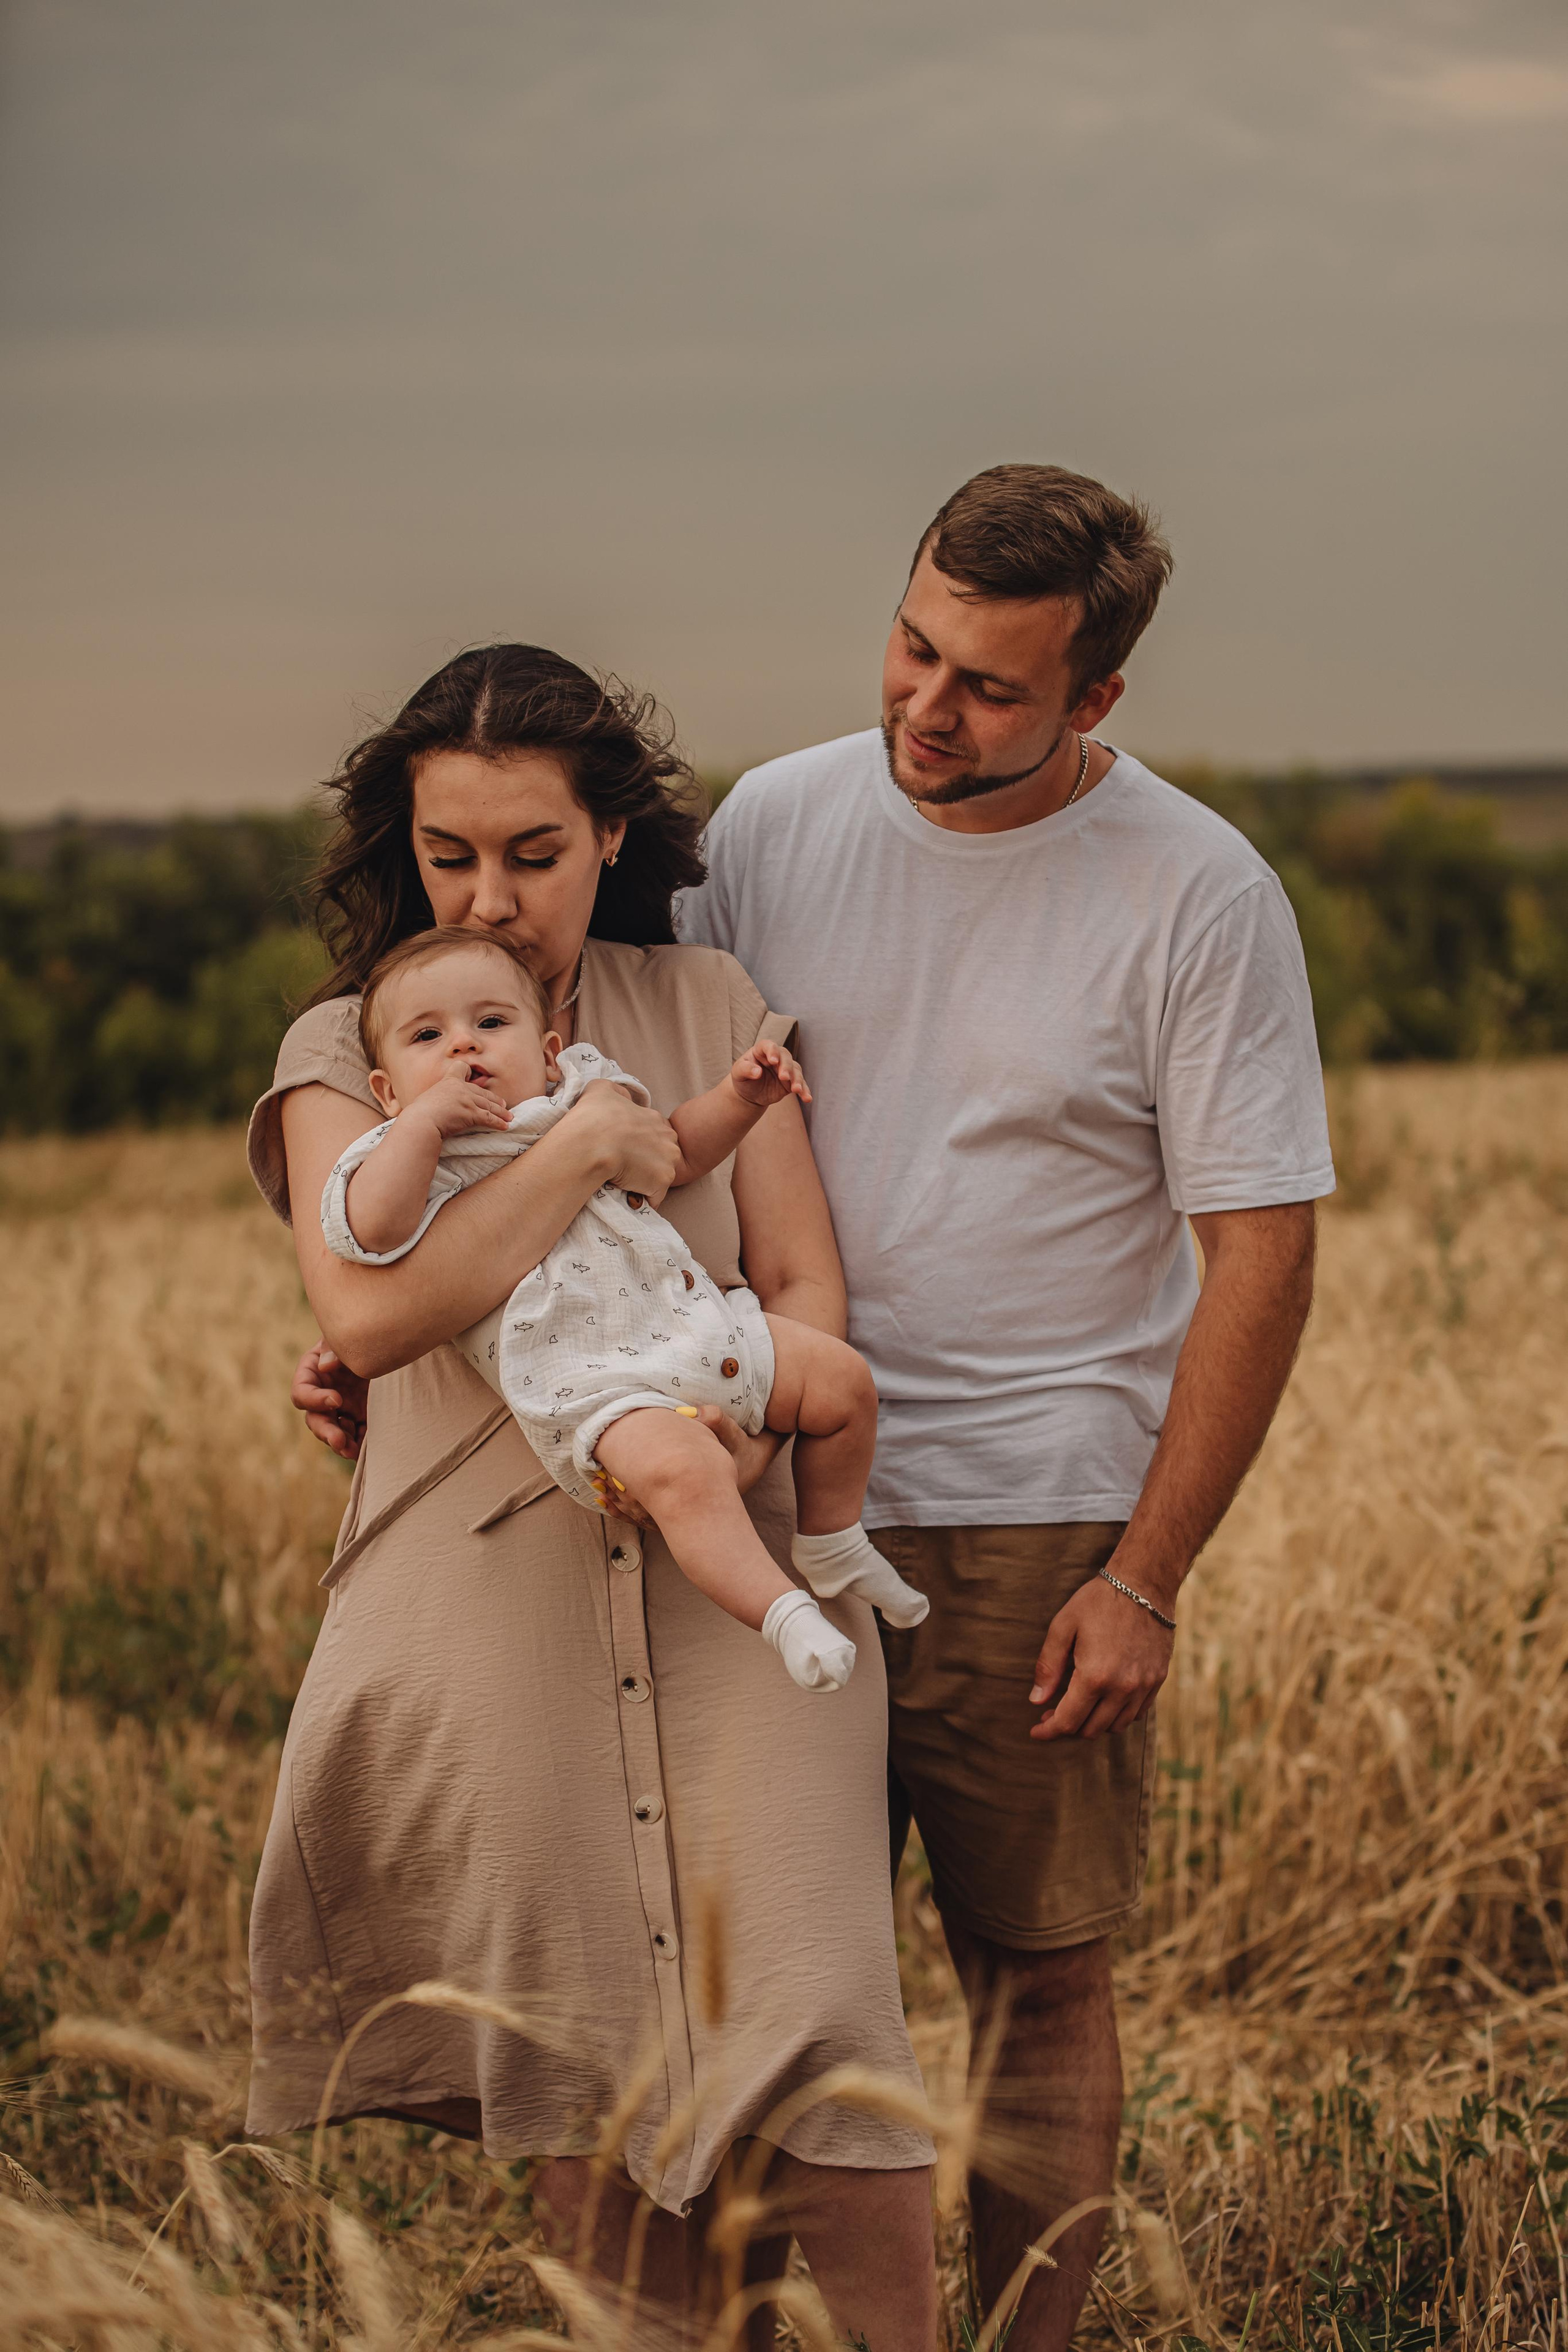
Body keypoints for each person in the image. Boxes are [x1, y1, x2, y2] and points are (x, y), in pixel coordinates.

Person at [677, 463, 1335, 2348]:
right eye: (909, 642)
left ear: (1094, 701)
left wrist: (1143, 1573)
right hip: (758, 1487)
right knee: (748, 1984)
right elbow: (624, 1105)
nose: (922, 704)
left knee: (1035, 1982)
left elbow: (1261, 1256)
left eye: (985, 684)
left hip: (1032, 1512)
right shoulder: (778, 821)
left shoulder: (1198, 894)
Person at [253, 644, 939, 2349]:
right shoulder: (350, 1045)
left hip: (742, 1582)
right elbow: (369, 1304)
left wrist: (746, 1443)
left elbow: (802, 1286)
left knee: (829, 2040)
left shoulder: (709, 1016)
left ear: (612, 835)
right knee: (589, 2093)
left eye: (533, 855)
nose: (493, 895)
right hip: (488, 1626)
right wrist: (575, 1147)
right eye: (449, 855)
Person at [318, 921, 929, 1690]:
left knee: (842, 1383)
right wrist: (422, 1124)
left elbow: (674, 1152)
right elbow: (373, 1230)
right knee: (684, 1479)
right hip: (595, 1385)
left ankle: (831, 1535)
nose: (463, 1049)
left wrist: (740, 1100)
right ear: (385, 1090)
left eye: (492, 1024)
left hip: (701, 1329)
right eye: (428, 1036)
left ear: (547, 1053)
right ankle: (781, 1613)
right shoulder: (404, 1155)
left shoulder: (579, 1094)